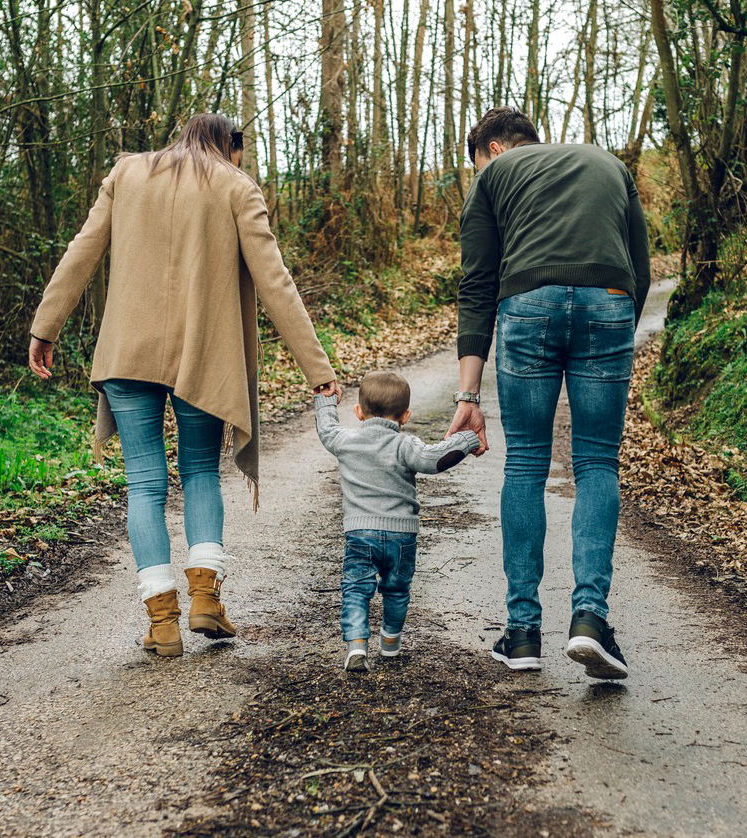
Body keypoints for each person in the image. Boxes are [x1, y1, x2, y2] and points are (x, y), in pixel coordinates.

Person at [27, 113, 340, 657]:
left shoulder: (127, 173)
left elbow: (83, 251)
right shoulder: (235, 186)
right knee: (199, 471)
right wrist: (319, 370)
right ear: (231, 148)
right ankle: (205, 600)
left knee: (144, 483)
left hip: (128, 353)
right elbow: (275, 283)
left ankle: (162, 620)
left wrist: (44, 326)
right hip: (204, 357)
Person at [446, 107, 650, 680]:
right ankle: (589, 620)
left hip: (526, 305)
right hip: (609, 301)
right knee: (595, 461)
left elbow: (478, 283)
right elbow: (642, 269)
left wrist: (468, 395)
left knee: (528, 464)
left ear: (489, 149)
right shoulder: (608, 164)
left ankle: (522, 633)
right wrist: (610, 331)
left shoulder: (494, 177)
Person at [315, 372, 481, 672]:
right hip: (401, 535)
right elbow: (434, 460)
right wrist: (467, 439)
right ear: (405, 415)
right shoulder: (405, 444)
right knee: (397, 588)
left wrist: (324, 398)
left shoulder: (346, 440)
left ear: (358, 411)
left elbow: (326, 429)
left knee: (355, 587)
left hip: (360, 533)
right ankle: (390, 641)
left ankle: (356, 645)